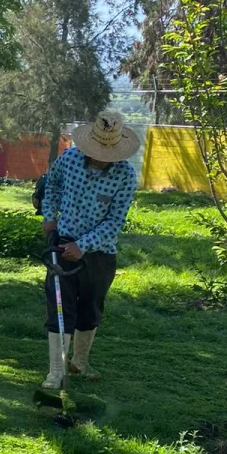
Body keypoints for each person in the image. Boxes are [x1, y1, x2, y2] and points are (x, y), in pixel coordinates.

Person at [40, 111, 138, 389]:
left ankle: (79, 362)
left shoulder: (125, 175)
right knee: (60, 309)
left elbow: (115, 221)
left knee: (90, 309)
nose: (103, 156)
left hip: (100, 254)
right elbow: (52, 184)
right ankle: (56, 372)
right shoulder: (69, 159)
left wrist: (82, 246)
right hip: (62, 243)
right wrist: (49, 216)